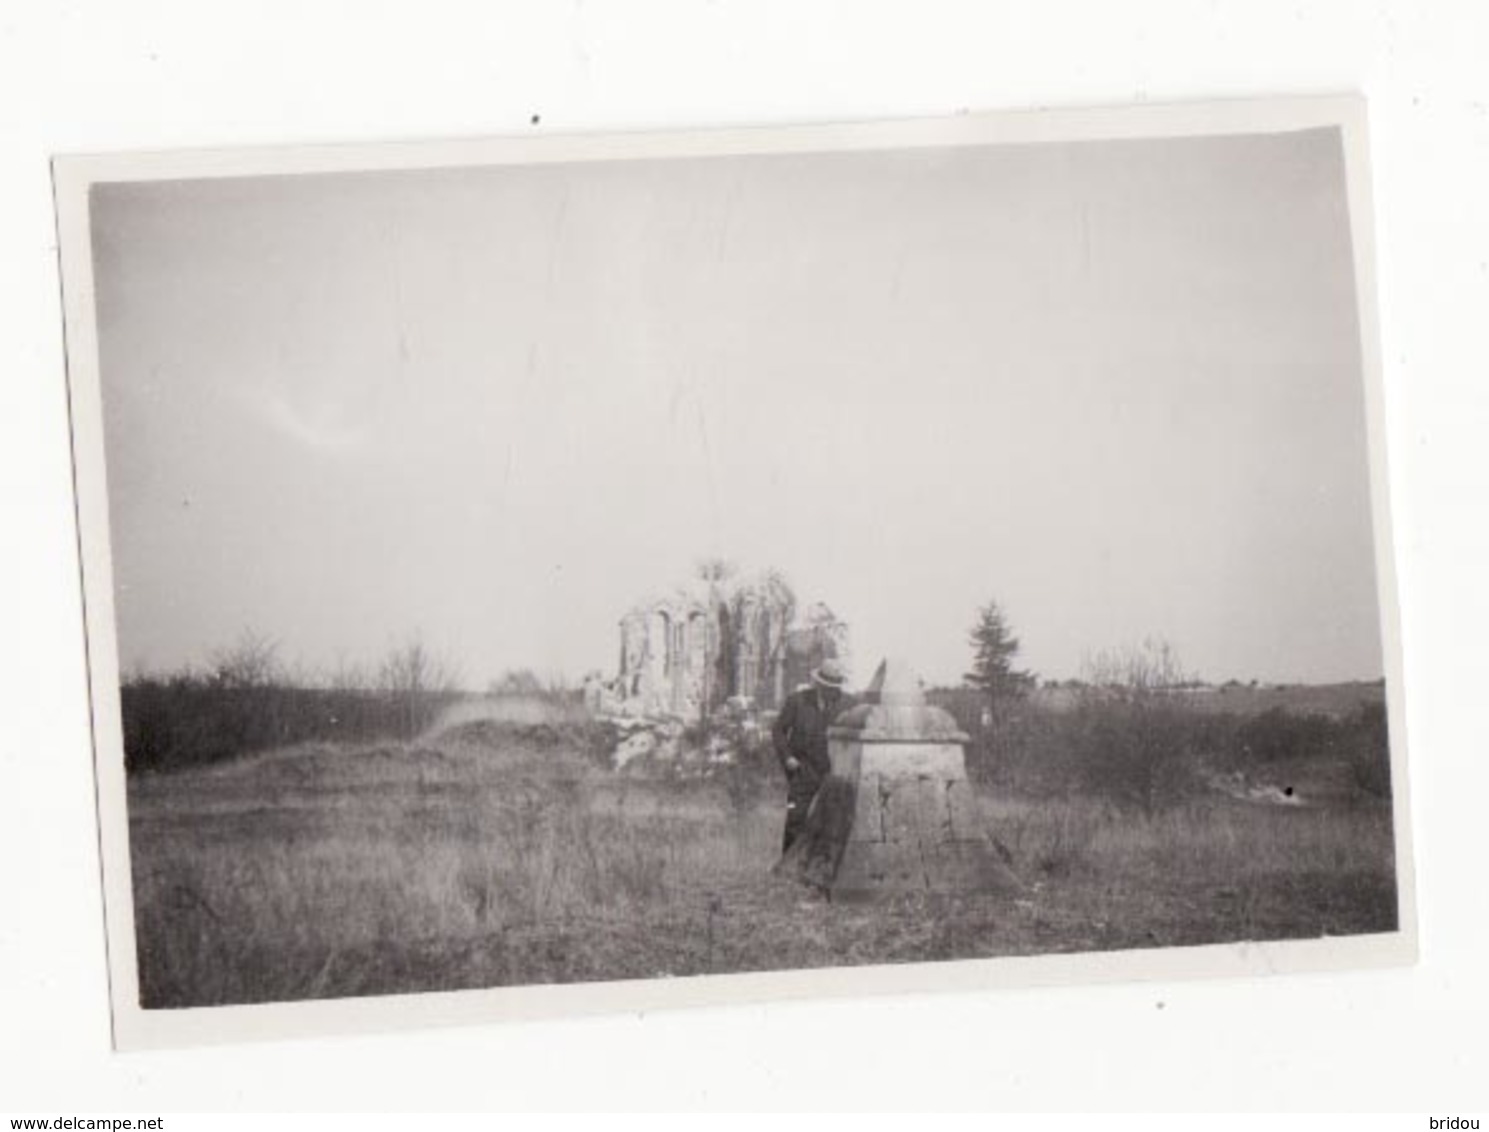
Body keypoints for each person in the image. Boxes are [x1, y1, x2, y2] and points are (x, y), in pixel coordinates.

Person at [771, 658, 851, 853]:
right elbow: (778, 731)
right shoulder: (797, 701)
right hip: (803, 770)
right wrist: (788, 757)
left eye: (835, 687)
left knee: (833, 822)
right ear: (818, 684)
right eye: (828, 686)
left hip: (834, 772)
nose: (832, 691)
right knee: (795, 818)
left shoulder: (848, 704)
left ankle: (821, 868)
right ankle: (788, 867)